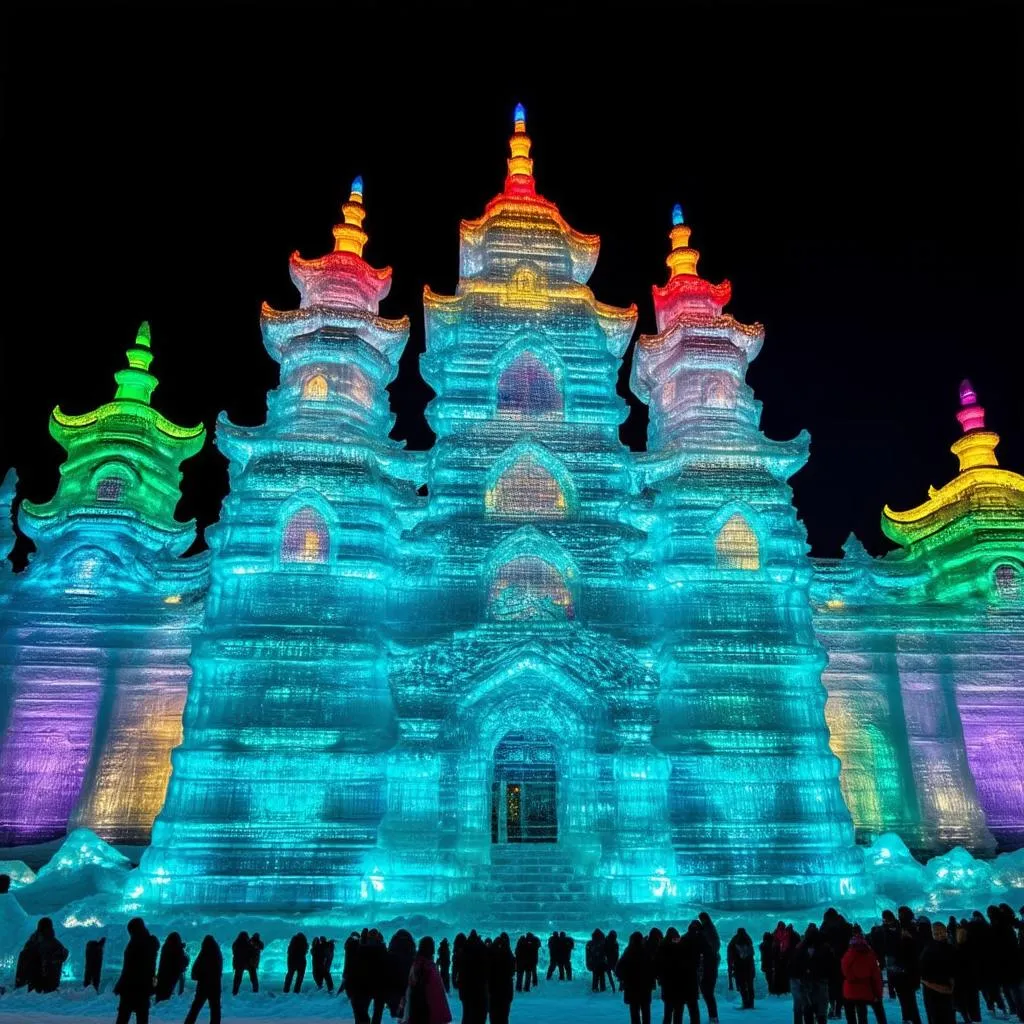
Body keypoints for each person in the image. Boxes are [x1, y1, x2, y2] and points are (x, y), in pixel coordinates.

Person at [112, 916, 160, 1024]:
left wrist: (120, 985)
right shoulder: (150, 943)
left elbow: (129, 969)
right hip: (144, 986)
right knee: (142, 1017)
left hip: (130, 987)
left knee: (123, 1017)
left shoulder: (135, 944)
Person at [400, 935, 452, 1024]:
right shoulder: (429, 967)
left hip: (415, 1009)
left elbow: (409, 988)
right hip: (427, 1011)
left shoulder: (415, 963)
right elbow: (437, 994)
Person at [790, 924, 833, 1024]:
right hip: (821, 981)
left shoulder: (800, 948)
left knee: (808, 1009)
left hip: (806, 982)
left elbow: (794, 966)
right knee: (821, 1010)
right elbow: (830, 966)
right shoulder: (824, 948)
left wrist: (800, 976)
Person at [842, 928, 883, 1024]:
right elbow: (876, 977)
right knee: (862, 1014)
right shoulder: (870, 956)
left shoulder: (847, 956)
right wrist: (878, 994)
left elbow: (845, 973)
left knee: (850, 1015)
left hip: (849, 990)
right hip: (865, 989)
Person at [617, 930, 658, 1024]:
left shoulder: (628, 953)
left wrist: (624, 979)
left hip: (632, 988)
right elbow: (654, 969)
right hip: (645, 987)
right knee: (646, 1011)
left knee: (634, 1012)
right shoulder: (646, 952)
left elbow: (618, 969)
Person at [919, 922, 956, 1024]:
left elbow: (955, 967)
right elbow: (923, 976)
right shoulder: (929, 950)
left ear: (946, 931)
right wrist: (939, 987)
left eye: (941, 931)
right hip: (934, 994)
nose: (940, 934)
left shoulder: (950, 947)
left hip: (947, 992)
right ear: (933, 934)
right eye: (936, 932)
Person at [19, 917, 69, 993]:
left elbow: (64, 953)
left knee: (25, 955)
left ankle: (22, 984)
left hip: (36, 983)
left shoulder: (33, 940)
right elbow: (65, 953)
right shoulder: (50, 942)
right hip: (46, 983)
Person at [184, 935, 222, 1024]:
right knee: (215, 1009)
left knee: (195, 1008)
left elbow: (195, 971)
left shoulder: (203, 954)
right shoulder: (218, 954)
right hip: (215, 986)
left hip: (203, 986)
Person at [890, 921, 922, 1024]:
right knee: (909, 1001)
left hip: (903, 977)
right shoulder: (914, 943)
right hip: (909, 978)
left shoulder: (903, 943)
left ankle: (909, 1019)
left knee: (906, 1002)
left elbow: (898, 960)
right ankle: (909, 1019)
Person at [952, 925, 980, 1024]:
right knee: (971, 1001)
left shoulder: (957, 949)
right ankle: (973, 1018)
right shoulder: (973, 946)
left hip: (960, 979)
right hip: (971, 979)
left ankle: (966, 1019)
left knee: (959, 1000)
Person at [488, 933, 515, 1024]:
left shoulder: (491, 954)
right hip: (505, 990)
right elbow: (512, 971)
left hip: (493, 990)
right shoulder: (509, 954)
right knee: (504, 1016)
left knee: (494, 1015)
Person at [388, 930, 417, 1016]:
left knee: (397, 1011)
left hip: (394, 987)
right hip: (408, 987)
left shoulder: (390, 955)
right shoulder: (413, 957)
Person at [699, 912, 721, 1024]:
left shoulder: (705, 929)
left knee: (707, 993)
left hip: (708, 966)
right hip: (712, 966)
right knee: (709, 994)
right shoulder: (711, 928)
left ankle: (713, 1017)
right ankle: (713, 1017)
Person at [728, 928, 757, 1010]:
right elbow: (752, 954)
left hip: (739, 967)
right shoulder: (749, 941)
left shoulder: (734, 941)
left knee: (742, 986)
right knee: (750, 986)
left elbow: (730, 956)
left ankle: (745, 1003)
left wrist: (730, 969)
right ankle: (751, 1004)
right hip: (749, 967)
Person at [155, 932, 189, 1001]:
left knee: (161, 995)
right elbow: (183, 961)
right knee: (165, 995)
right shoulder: (178, 950)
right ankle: (179, 995)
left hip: (163, 975)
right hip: (172, 975)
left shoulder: (165, 947)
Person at [232, 930, 258, 995]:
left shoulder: (236, 944)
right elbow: (254, 952)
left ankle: (235, 991)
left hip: (239, 964)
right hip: (249, 964)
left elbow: (234, 952)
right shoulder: (249, 944)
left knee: (237, 979)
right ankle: (255, 991)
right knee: (253, 978)